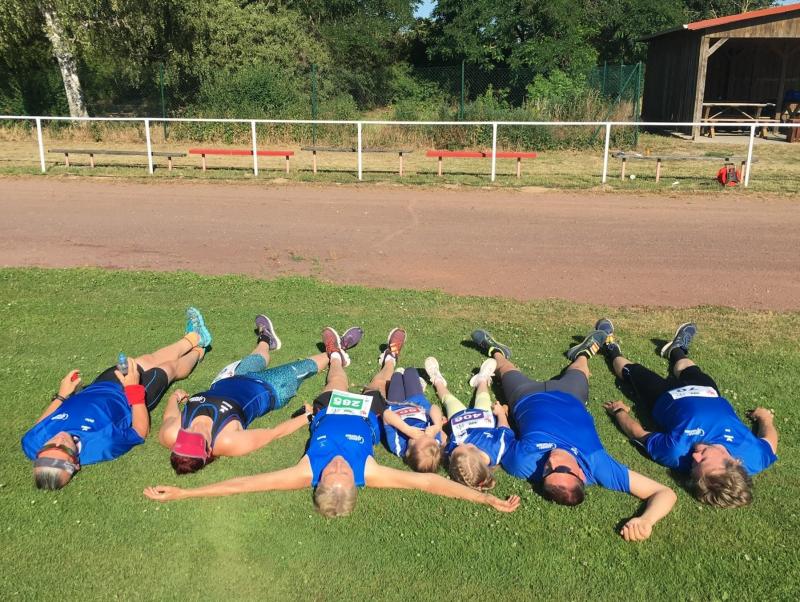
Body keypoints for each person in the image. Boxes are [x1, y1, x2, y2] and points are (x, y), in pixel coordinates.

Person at [144, 327, 520, 517]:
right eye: (343, 474)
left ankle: (337, 356)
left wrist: (185, 493)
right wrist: (485, 499)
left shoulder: (304, 472)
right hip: (365, 414)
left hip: (331, 408)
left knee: (336, 379)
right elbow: (429, 483)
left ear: (319, 482)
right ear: (354, 483)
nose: (338, 466)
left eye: (330, 474)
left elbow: (243, 485)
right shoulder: (369, 473)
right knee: (377, 385)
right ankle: (390, 358)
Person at [470, 327, 677, 542]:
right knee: (580, 368)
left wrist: (501, 415)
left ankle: (497, 350)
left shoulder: (523, 464)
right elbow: (664, 493)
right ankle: (582, 354)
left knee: (503, 367)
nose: (550, 462)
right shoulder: (597, 465)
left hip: (526, 396)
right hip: (571, 395)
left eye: (547, 471)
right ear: (580, 474)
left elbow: (504, 437)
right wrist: (646, 520)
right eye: (560, 469)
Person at [21, 307, 211, 490]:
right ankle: (199, 351)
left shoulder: (32, 443)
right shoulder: (103, 444)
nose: (59, 439)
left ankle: (193, 338)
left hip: (99, 386)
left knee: (147, 359)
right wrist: (133, 389)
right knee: (168, 369)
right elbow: (140, 432)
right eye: (64, 448)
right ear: (75, 463)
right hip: (131, 397)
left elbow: (41, 425)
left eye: (49, 445)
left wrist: (62, 396)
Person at [598, 321, 778, 509]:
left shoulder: (675, 452)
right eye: (704, 459)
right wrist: (765, 418)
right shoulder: (755, 456)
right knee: (686, 367)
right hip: (706, 391)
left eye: (694, 467)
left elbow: (638, 434)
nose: (695, 458)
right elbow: (770, 443)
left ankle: (610, 347)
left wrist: (618, 412)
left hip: (662, 397)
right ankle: (676, 349)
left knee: (629, 371)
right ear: (733, 462)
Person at [159, 315, 363, 474]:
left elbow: (169, 417)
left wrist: (174, 398)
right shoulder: (228, 441)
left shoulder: (171, 434)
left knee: (257, 357)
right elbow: (273, 433)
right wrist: (306, 417)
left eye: (188, 433)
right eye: (199, 436)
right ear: (209, 450)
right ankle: (337, 351)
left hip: (233, 377)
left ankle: (266, 338)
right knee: (305, 366)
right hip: (272, 388)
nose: (195, 428)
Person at [424, 356, 514, 490]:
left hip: (459, 420)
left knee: (449, 400)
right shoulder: (498, 448)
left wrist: (439, 427)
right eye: (463, 445)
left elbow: (445, 441)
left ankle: (437, 380)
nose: (460, 443)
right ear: (474, 450)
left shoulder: (453, 453)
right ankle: (482, 379)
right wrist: (500, 413)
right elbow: (504, 429)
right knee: (483, 396)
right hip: (484, 418)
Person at [382, 364, 446, 472]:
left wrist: (407, 429)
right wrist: (437, 426)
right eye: (428, 436)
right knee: (410, 371)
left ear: (408, 452)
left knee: (397, 375)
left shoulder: (398, 446)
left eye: (420, 437)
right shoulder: (434, 441)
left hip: (396, 404)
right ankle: (416, 383)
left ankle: (400, 376)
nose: (424, 433)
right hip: (417, 401)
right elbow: (434, 407)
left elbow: (386, 414)